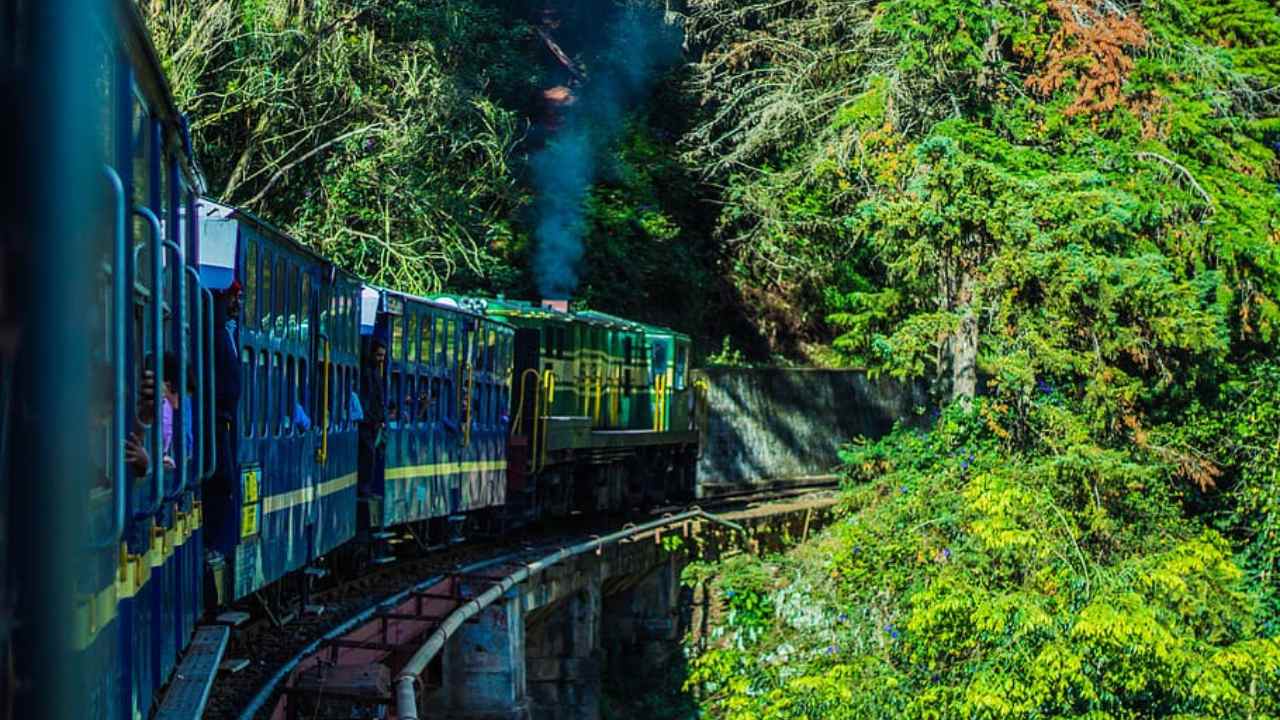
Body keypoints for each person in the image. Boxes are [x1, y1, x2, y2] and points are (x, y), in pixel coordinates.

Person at [207, 280, 243, 551]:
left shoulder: (225, 332)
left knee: (225, 480)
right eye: (235, 296)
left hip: (223, 418)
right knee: (223, 479)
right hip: (217, 419)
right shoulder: (218, 333)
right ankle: (214, 545)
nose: (237, 303)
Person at [357, 338, 386, 497]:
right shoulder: (367, 371)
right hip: (366, 422)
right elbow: (368, 397)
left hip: (373, 422)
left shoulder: (375, 371)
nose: (381, 359)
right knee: (368, 454)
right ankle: (364, 488)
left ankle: (366, 487)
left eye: (383, 356)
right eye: (379, 355)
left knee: (373, 453)